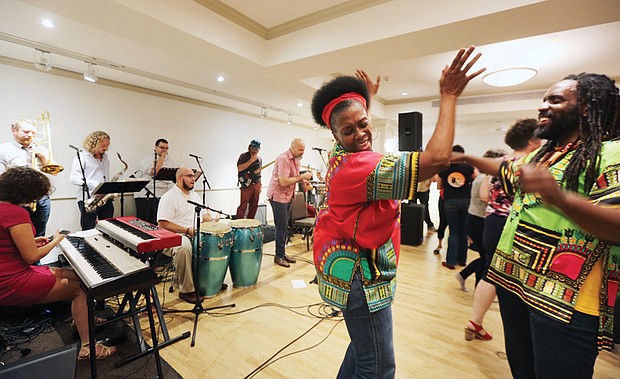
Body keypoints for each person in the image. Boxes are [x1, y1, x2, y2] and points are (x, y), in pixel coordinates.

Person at [310, 46, 484, 378]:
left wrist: (365, 99)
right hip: (362, 276)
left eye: (364, 123)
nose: (360, 133)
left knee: (362, 351)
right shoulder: (359, 167)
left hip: (351, 266)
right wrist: (448, 96)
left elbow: (352, 121)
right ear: (334, 135)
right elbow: (436, 159)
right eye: (349, 131)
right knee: (377, 367)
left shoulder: (339, 153)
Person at [456, 74, 619, 378]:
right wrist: (464, 156)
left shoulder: (611, 153)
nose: (542, 107)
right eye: (544, 100)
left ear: (585, 107)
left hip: (564, 301)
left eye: (555, 100)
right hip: (513, 283)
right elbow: (506, 168)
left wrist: (558, 196)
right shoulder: (544, 154)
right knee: (523, 370)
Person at [0, 166, 116, 360]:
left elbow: (7, 244)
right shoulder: (15, 213)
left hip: (9, 274)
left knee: (78, 276)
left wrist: (34, 241)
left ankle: (81, 318)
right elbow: (30, 257)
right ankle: (88, 347)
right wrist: (57, 239)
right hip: (11, 281)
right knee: (79, 290)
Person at [463, 118, 541, 341]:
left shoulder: (500, 163)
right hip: (513, 223)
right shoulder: (529, 164)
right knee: (513, 275)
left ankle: (475, 321)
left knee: (490, 270)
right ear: (532, 140)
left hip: (492, 221)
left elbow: (486, 196)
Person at [157, 167, 219, 304]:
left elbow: (204, 217)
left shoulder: (195, 196)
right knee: (184, 248)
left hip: (194, 232)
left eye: (193, 176)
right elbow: (162, 224)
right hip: (175, 235)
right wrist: (186, 230)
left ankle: (210, 282)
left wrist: (212, 219)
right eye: (190, 176)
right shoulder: (169, 197)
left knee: (215, 242)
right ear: (180, 178)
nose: (193, 179)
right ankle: (187, 290)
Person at [456, 148, 507, 292]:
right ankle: (478, 287)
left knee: (486, 257)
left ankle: (464, 275)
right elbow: (485, 198)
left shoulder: (484, 177)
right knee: (487, 258)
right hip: (478, 220)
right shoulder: (484, 178)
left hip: (476, 219)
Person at [0, 119, 53, 237]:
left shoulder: (41, 149)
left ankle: (38, 253)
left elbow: (52, 172)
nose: (29, 135)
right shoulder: (4, 149)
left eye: (33, 133)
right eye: (26, 131)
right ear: (14, 131)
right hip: (18, 197)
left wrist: (44, 158)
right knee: (20, 233)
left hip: (42, 197)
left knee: (40, 232)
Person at [266, 138, 313, 268]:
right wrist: (302, 177)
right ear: (292, 147)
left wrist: (304, 183)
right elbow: (284, 181)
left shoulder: (297, 159)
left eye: (304, 150)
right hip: (278, 196)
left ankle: (282, 253)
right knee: (281, 228)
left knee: (285, 226)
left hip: (287, 196)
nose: (303, 152)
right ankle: (278, 256)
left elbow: (295, 175)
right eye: (301, 149)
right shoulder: (283, 159)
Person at [437, 145, 475, 269]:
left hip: (450, 201)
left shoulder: (444, 168)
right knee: (463, 231)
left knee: (453, 231)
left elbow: (439, 186)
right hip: (465, 201)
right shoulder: (469, 168)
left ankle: (451, 261)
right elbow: (476, 179)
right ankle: (462, 260)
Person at [69, 131, 114, 230]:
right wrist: (95, 185)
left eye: (107, 145)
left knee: (108, 227)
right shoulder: (82, 156)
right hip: (89, 198)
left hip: (104, 197)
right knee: (88, 228)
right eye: (103, 145)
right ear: (94, 143)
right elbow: (74, 178)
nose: (105, 148)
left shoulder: (105, 157)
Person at [135, 138, 176, 224]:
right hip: (147, 195)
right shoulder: (148, 158)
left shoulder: (169, 160)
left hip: (163, 195)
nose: (164, 150)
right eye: (162, 147)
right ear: (155, 147)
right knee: (147, 223)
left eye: (166, 148)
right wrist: (162, 158)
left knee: (158, 222)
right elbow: (155, 172)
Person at [236, 140, 262, 220]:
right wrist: (251, 160)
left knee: (254, 204)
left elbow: (259, 173)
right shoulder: (244, 156)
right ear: (249, 147)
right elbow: (239, 168)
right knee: (243, 204)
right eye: (253, 148)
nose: (255, 150)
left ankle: (250, 223)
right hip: (246, 184)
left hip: (256, 183)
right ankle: (239, 223)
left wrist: (260, 185)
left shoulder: (259, 159)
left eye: (257, 149)